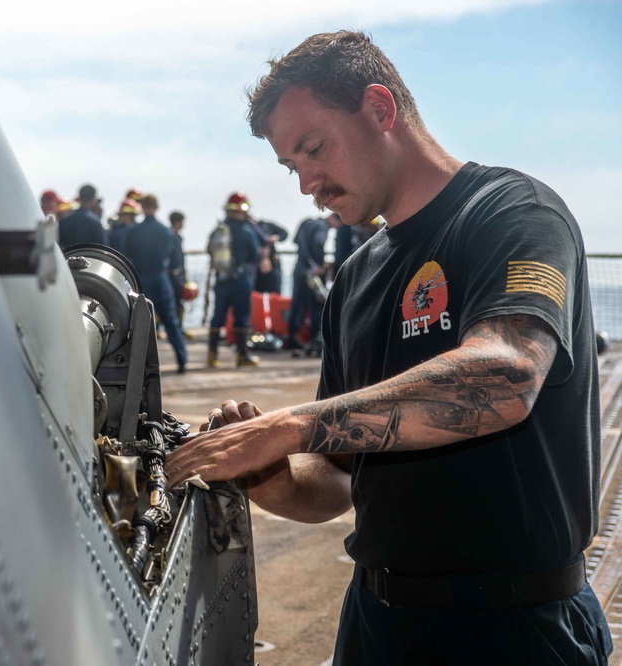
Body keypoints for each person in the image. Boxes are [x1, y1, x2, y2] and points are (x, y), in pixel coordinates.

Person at [166, 30, 610, 665]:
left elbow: (506, 377)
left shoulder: (514, 215)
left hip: (515, 628)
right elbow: (340, 480)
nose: (305, 185)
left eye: (312, 149)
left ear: (380, 108)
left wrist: (288, 426)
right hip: (377, 625)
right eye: (291, 167)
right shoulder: (355, 277)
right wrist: (268, 474)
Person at [125, 194, 188, 373]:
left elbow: (128, 254)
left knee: (139, 323)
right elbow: (176, 259)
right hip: (161, 278)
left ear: (142, 207)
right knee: (170, 321)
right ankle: (182, 359)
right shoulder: (166, 232)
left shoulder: (133, 231)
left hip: (142, 279)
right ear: (157, 207)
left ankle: (138, 366)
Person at [206, 192, 261, 368]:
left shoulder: (218, 229)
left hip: (222, 280)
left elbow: (209, 250)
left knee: (217, 316)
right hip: (241, 280)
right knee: (241, 317)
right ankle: (242, 355)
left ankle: (212, 355)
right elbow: (255, 254)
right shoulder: (246, 230)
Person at [285, 213, 341, 354]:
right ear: (334, 219)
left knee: (297, 304)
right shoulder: (322, 227)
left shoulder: (307, 222)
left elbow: (296, 241)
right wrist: (320, 265)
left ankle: (292, 337)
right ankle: (316, 341)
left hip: (299, 270)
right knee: (316, 305)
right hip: (312, 274)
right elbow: (318, 243)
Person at [58, 183, 106, 248]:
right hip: (89, 257)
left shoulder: (64, 220)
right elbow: (102, 248)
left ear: (80, 197)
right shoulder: (95, 222)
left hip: (67, 257)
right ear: (93, 198)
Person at [167, 210, 191, 337]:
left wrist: (184, 273)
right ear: (178, 222)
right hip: (170, 274)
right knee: (169, 301)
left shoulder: (179, 237)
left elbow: (180, 258)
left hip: (178, 274)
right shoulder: (168, 236)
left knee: (178, 301)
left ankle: (178, 327)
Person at [252, 217, 290, 294]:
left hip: (272, 263)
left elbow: (284, 233)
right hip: (255, 266)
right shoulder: (247, 230)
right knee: (255, 294)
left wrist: (276, 237)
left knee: (275, 292)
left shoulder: (267, 225)